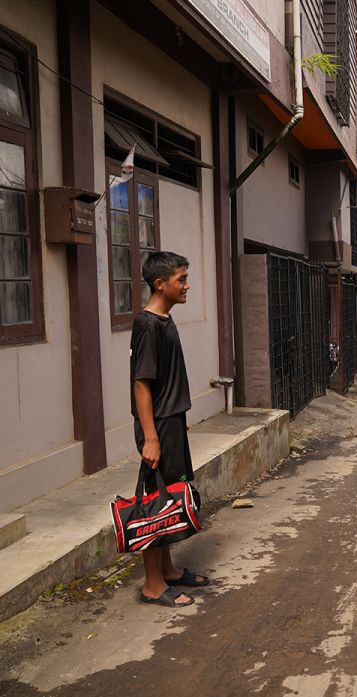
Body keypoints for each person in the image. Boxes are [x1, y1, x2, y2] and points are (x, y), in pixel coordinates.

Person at [131, 251, 209, 608]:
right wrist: (151, 436)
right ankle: (151, 584)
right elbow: (141, 384)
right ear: (160, 284)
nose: (187, 285)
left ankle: (167, 570)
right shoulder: (148, 325)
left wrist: (178, 418)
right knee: (154, 502)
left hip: (171, 421)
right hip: (157, 427)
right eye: (181, 279)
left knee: (170, 498)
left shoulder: (165, 319)